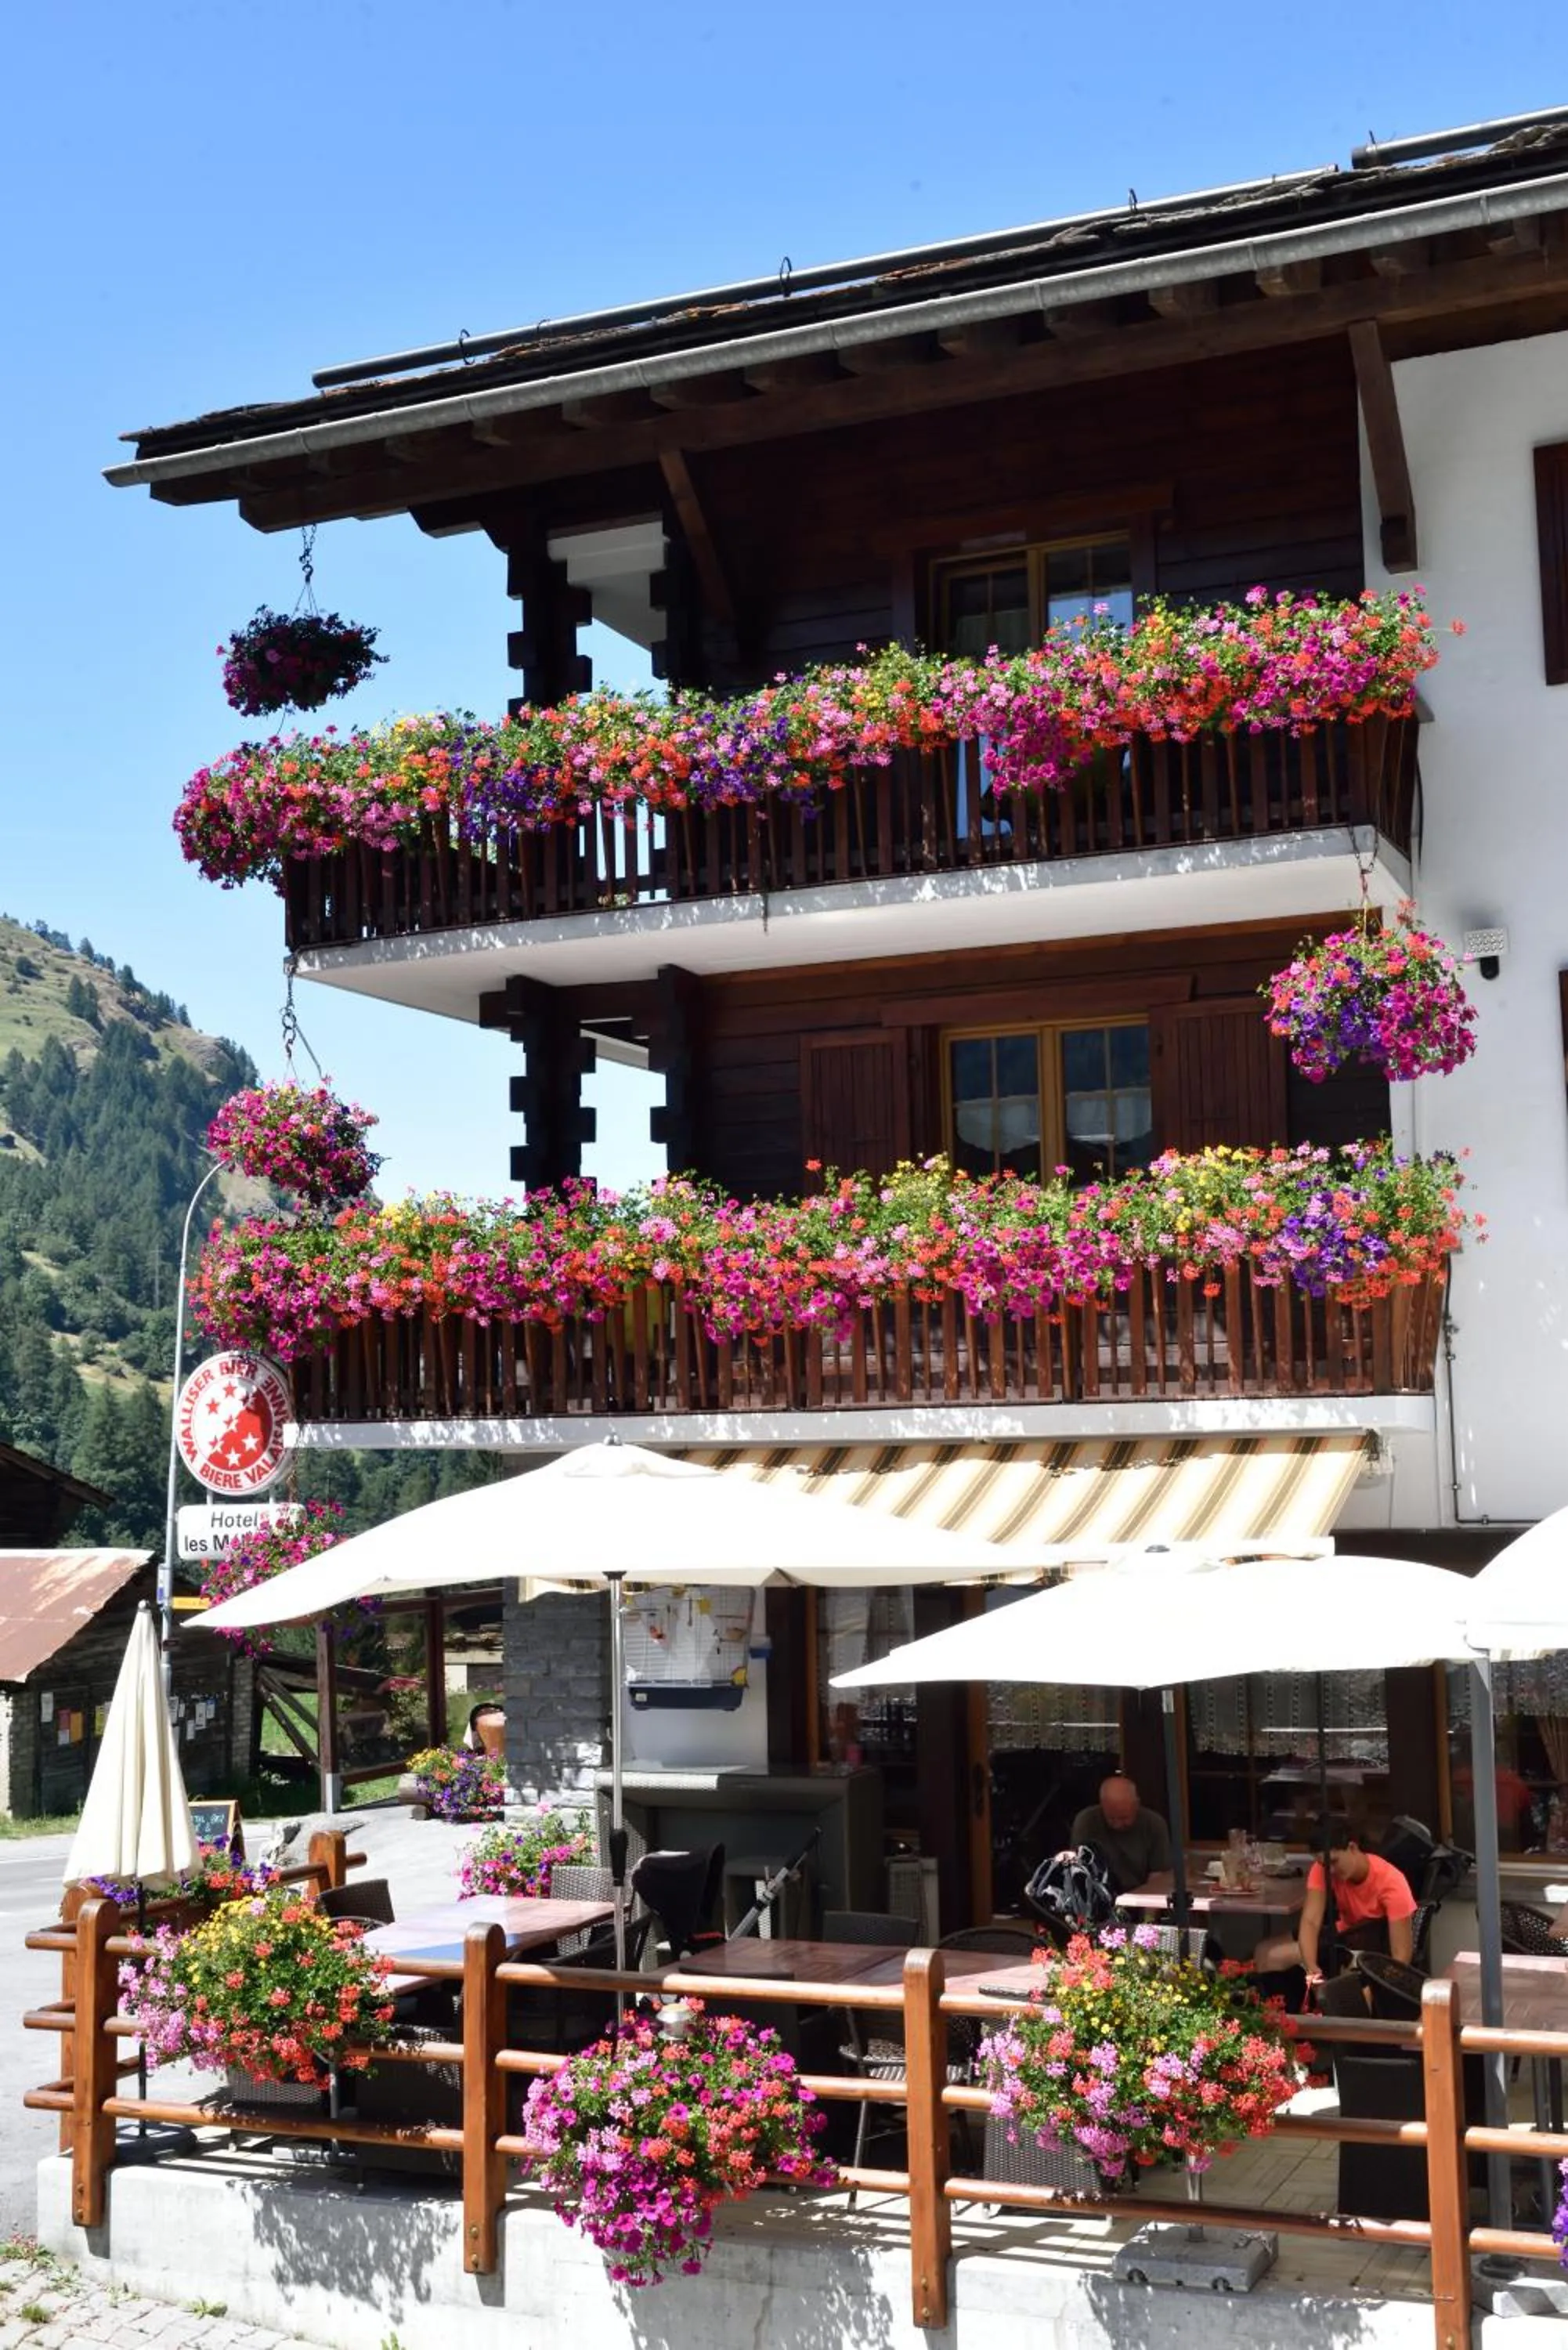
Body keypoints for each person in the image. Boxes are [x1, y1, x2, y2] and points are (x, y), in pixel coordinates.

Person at [1256, 1819, 1415, 1988]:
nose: (1330, 1870)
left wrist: (1375, 1991)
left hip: (1366, 1944)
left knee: (1274, 1956)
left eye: (1334, 1862)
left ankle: (1280, 2009)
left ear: (1353, 1848)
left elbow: (1402, 1956)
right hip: (1343, 1930)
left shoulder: (1392, 1882)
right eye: (1325, 1864)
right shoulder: (1322, 1868)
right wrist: (1312, 1969)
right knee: (1263, 1949)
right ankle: (1272, 2009)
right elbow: (1311, 1920)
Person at [1069, 1773, 1172, 1894]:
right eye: (1111, 1818)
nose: (1117, 1824)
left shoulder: (1154, 1824)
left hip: (1141, 1895)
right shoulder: (1086, 1821)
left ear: (1136, 1805)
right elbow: (1078, 1870)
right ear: (1102, 1806)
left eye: (1124, 1818)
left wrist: (1148, 1913)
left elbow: (1158, 1877)